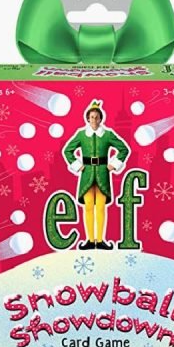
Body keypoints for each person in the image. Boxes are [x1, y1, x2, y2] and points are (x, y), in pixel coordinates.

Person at [63, 100, 130, 250]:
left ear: (101, 119)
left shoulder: (107, 134)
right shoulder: (81, 135)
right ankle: (89, 240)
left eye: (96, 117)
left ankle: (99, 240)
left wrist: (114, 164)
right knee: (88, 207)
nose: (94, 120)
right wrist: (78, 165)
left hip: (102, 174)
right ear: (88, 118)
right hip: (86, 174)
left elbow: (124, 149)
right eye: (91, 117)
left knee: (100, 207)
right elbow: (67, 150)